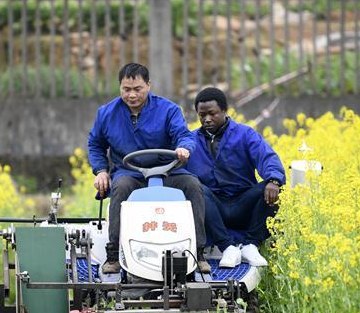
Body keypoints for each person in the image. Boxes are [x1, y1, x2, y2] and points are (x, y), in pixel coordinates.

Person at [88, 63, 210, 274]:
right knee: (120, 187)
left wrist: (183, 148)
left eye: (138, 89)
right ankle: (114, 254)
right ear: (120, 88)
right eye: (127, 90)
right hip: (130, 172)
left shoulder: (169, 110)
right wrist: (101, 170)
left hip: (168, 170)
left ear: (148, 86)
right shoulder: (106, 113)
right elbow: (95, 145)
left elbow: (184, 135)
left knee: (193, 186)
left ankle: (198, 253)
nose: (132, 95)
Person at [186, 87, 285, 268]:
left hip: (243, 203)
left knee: (274, 187)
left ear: (224, 110)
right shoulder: (190, 141)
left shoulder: (245, 134)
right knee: (196, 188)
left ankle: (250, 245)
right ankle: (228, 247)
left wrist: (274, 180)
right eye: (202, 115)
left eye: (212, 114)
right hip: (212, 210)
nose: (207, 119)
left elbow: (267, 157)